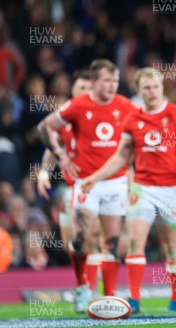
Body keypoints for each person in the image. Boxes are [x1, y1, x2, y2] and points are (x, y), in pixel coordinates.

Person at [80, 67, 176, 313]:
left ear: (162, 88)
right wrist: (95, 177)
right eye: (146, 88)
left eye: (156, 86)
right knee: (135, 240)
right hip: (143, 187)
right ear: (138, 91)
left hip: (172, 189)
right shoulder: (132, 119)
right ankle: (134, 299)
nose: (152, 91)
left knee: (173, 246)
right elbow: (120, 157)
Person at [37, 59, 137, 313]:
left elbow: (134, 142)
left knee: (111, 243)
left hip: (114, 183)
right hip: (83, 184)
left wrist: (135, 176)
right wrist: (58, 159)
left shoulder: (125, 106)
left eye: (115, 80)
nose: (113, 85)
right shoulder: (77, 107)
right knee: (81, 240)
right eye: (107, 80)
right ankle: (83, 285)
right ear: (93, 82)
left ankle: (110, 297)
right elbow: (45, 128)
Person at [36, 71, 103, 296]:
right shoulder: (64, 120)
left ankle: (90, 289)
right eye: (80, 88)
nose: (84, 92)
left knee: (91, 238)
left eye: (88, 88)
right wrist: (45, 173)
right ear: (73, 92)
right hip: (70, 188)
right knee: (72, 245)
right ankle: (82, 284)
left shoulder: (99, 118)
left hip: (93, 188)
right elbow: (51, 150)